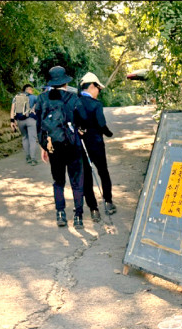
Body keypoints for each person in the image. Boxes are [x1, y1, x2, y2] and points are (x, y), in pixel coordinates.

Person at [33, 65, 88, 228]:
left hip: (53, 146)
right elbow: (83, 120)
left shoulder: (42, 99)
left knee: (58, 181)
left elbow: (39, 125)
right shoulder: (73, 98)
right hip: (73, 145)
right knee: (76, 182)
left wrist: (44, 147)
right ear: (65, 82)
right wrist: (81, 131)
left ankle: (60, 214)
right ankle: (78, 217)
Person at [77, 72, 115, 222]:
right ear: (92, 86)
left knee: (86, 177)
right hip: (96, 144)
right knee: (103, 172)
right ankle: (108, 202)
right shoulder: (96, 104)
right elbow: (101, 124)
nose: (98, 91)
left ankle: (93, 209)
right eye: (98, 88)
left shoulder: (75, 102)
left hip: (81, 146)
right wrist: (109, 133)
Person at [10, 84, 38, 165]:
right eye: (32, 90)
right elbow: (39, 107)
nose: (32, 91)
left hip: (20, 121)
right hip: (31, 120)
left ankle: (28, 157)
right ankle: (33, 159)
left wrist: (12, 121)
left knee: (25, 138)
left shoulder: (16, 97)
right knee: (32, 139)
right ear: (29, 89)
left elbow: (12, 110)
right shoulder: (34, 97)